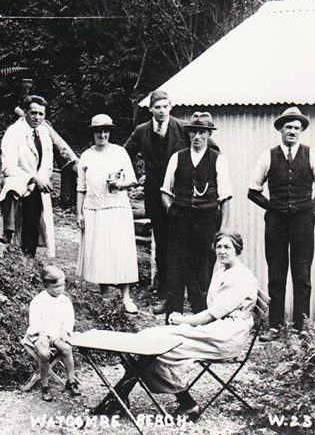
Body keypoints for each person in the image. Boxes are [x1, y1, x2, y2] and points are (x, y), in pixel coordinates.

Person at [96, 231, 258, 418]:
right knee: (148, 340)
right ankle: (121, 399)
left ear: (237, 250)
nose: (222, 251)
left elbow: (211, 315)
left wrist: (184, 321)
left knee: (158, 345)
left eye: (227, 247)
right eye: (219, 247)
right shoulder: (223, 270)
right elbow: (213, 314)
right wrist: (186, 322)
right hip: (217, 329)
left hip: (226, 337)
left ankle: (183, 403)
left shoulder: (240, 277)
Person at [247, 106, 315, 341]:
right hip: (276, 223)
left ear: (301, 131)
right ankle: (274, 326)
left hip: (303, 222)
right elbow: (252, 190)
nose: (292, 131)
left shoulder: (311, 155)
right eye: (288, 127)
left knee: (302, 275)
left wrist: (310, 211)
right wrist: (273, 208)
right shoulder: (268, 156)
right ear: (281, 130)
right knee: (276, 274)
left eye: (297, 127)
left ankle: (301, 327)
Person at [125, 90, 192, 314]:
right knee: (162, 244)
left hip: (180, 196)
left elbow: (210, 149)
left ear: (170, 106)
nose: (162, 111)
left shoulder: (183, 128)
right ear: (151, 109)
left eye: (165, 106)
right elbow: (125, 155)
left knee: (181, 243)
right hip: (155, 197)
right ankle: (164, 292)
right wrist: (131, 179)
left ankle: (184, 293)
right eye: (158, 107)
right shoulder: (142, 131)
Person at [161, 112, 232, 315]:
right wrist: (173, 211)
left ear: (209, 134)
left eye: (202, 132)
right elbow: (165, 192)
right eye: (194, 132)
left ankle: (200, 322)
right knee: (175, 273)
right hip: (180, 224)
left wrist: (223, 230)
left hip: (206, 224)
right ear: (189, 134)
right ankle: (173, 321)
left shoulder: (218, 160)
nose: (197, 136)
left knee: (202, 276)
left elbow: (225, 198)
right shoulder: (177, 157)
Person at [76, 114, 140, 313]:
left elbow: (133, 180)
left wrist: (119, 184)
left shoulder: (119, 152)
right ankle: (105, 295)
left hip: (117, 207)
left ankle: (126, 297)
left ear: (110, 132)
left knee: (121, 250)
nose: (102, 135)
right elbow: (81, 188)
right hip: (94, 209)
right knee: (101, 252)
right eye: (98, 131)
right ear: (93, 133)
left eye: (106, 131)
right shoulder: (86, 156)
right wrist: (79, 213)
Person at [0, 95, 76, 257]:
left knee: (33, 224)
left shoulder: (44, 132)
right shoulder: (13, 132)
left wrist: (41, 180)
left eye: (41, 114)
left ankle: (30, 258)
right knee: (19, 220)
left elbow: (48, 163)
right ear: (25, 112)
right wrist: (32, 179)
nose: (37, 117)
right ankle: (8, 233)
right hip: (20, 181)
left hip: (38, 185)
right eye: (33, 113)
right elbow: (8, 167)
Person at [26, 265, 80, 402]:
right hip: (40, 332)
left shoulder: (64, 301)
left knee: (66, 348)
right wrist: (42, 335)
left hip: (57, 332)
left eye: (63, 285)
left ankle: (71, 380)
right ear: (46, 286)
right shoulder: (38, 301)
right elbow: (35, 322)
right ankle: (45, 385)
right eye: (56, 287)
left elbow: (69, 320)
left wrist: (65, 332)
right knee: (44, 353)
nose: (60, 289)